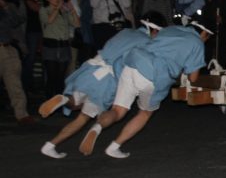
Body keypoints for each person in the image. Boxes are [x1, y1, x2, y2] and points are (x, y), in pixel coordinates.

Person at [38, 12, 166, 159]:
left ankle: (52, 138)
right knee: (87, 115)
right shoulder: (146, 43)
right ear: (155, 30)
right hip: (108, 79)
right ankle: (97, 128)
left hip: (92, 67)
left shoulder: (125, 32)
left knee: (75, 103)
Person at [78, 20, 211, 158]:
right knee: (145, 113)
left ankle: (97, 127)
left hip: (132, 63)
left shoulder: (169, 29)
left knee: (117, 111)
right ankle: (114, 147)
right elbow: (193, 78)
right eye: (207, 36)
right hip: (154, 74)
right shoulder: (197, 43)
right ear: (203, 32)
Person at [40, 0, 80, 98]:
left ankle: (58, 103)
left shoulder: (64, 11)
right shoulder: (44, 9)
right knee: (51, 77)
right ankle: (49, 100)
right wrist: (58, 8)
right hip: (50, 47)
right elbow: (48, 20)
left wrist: (72, 10)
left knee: (60, 77)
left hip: (64, 47)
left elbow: (77, 24)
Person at [0, 0, 33, 125]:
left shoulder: (6, 7)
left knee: (14, 82)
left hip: (7, 47)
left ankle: (21, 114)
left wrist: (6, 7)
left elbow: (17, 21)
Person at [21, 0, 46, 92]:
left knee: (45, 58)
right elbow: (32, 6)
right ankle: (26, 86)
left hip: (47, 28)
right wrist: (47, 11)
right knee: (30, 58)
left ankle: (44, 87)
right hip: (33, 28)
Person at [68, 0, 94, 67]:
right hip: (72, 34)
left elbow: (88, 17)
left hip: (85, 34)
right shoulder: (69, 0)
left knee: (85, 60)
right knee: (72, 61)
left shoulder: (87, 1)